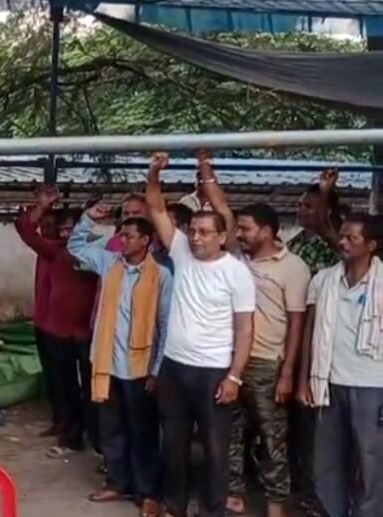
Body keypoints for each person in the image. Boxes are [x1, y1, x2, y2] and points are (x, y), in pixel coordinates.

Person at [145, 152, 256, 517]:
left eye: (205, 232)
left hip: (213, 371)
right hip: (175, 367)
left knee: (215, 449)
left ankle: (213, 510)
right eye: (192, 230)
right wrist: (154, 173)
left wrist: (234, 376)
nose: (196, 237)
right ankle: (174, 506)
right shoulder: (180, 251)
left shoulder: (236, 272)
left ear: (222, 237)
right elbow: (156, 208)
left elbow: (245, 328)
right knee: (173, 444)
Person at [67, 207, 171, 517]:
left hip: (140, 368)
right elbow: (75, 246)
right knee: (111, 429)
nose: (122, 241)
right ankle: (117, 482)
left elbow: (165, 325)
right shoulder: (109, 263)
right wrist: (89, 218)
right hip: (107, 364)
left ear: (146, 241)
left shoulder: (161, 275)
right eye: (122, 235)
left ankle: (147, 492)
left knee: (143, 432)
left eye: (129, 236)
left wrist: (157, 370)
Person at [226, 203, 310, 517]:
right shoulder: (238, 260)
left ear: (266, 231)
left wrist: (287, 373)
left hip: (268, 364)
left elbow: (297, 323)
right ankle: (233, 496)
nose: (239, 234)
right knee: (231, 433)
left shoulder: (294, 267)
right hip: (234, 361)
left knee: (272, 440)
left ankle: (276, 506)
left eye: (245, 228)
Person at [300, 212, 383, 517]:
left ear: (371, 245)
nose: (343, 242)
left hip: (374, 386)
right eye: (342, 236)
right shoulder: (324, 280)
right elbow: (310, 331)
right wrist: (304, 380)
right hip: (329, 382)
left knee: (371, 462)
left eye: (352, 238)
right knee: (327, 460)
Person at [19, 186, 100, 457]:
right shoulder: (55, 250)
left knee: (91, 388)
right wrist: (41, 206)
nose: (65, 234)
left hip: (87, 332)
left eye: (70, 229)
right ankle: (71, 435)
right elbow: (26, 231)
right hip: (58, 331)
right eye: (63, 230)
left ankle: (96, 438)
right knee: (65, 386)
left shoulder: (97, 254)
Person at [287, 170, 343, 517]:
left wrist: (325, 193)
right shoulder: (294, 244)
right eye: (300, 205)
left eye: (308, 205)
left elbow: (326, 228)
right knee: (297, 424)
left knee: (318, 426)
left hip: (323, 343)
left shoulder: (334, 241)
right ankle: (303, 486)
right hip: (295, 339)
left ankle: (319, 492)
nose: (301, 210)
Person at [14, 191, 60, 436]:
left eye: (52, 226)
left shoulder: (61, 251)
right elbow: (24, 227)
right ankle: (58, 419)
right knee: (51, 374)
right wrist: (40, 207)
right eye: (45, 226)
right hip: (43, 321)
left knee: (63, 378)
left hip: (59, 326)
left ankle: (67, 423)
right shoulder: (45, 250)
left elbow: (26, 230)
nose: (47, 230)